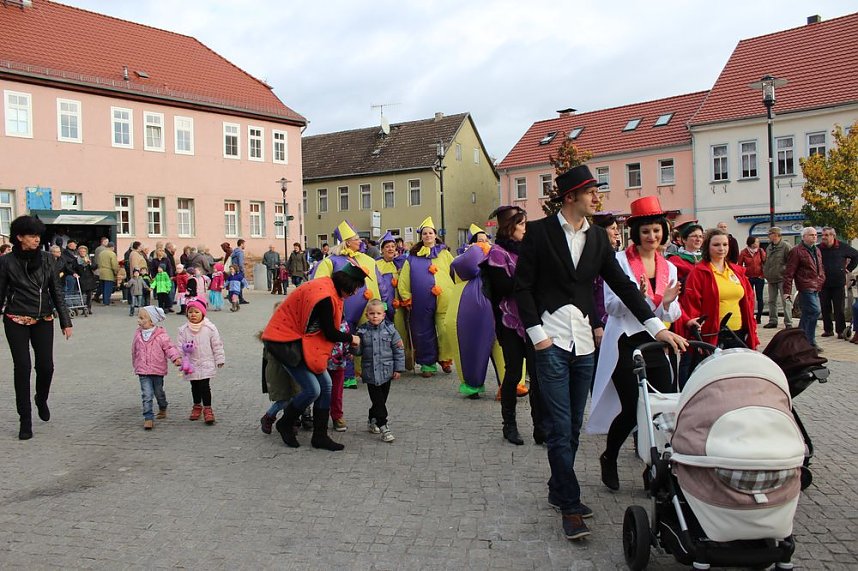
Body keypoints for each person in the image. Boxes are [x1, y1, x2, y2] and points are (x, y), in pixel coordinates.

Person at [513, 165, 686, 541]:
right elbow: (521, 287)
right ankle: (571, 505)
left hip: (584, 345)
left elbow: (624, 287)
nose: (597, 198)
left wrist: (657, 328)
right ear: (571, 196)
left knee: (573, 425)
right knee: (559, 428)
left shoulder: (597, 240)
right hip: (551, 341)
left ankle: (558, 488)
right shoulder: (540, 233)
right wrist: (537, 334)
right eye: (591, 191)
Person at [586, 196, 682, 491]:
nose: (652, 237)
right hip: (625, 342)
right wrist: (635, 298)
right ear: (636, 233)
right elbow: (611, 307)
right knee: (631, 408)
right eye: (646, 231)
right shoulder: (618, 262)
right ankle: (609, 456)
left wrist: (666, 302)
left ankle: (654, 468)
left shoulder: (670, 267)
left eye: (656, 230)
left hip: (656, 343)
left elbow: (671, 313)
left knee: (663, 407)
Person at [261, 264, 367, 451]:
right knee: (312, 390)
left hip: (301, 342)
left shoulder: (329, 287)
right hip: (286, 343)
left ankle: (320, 436)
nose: (356, 292)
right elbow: (330, 333)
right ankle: (285, 423)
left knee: (326, 386)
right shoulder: (325, 297)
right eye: (356, 288)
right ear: (347, 284)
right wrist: (352, 338)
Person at [0, 215, 73, 440]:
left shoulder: (47, 259)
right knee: (22, 367)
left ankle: (41, 398)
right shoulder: (6, 261)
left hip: (43, 319)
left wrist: (65, 320)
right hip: (16, 318)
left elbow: (56, 290)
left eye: (38, 235)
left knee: (46, 367)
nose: (36, 239)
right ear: (19, 237)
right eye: (32, 235)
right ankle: (25, 419)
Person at [481, 205, 545, 445]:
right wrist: (530, 276)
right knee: (514, 372)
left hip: (532, 320)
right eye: (522, 224)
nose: (526, 229)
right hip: (508, 321)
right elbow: (504, 288)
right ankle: (510, 425)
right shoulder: (497, 253)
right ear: (510, 227)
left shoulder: (528, 250)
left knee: (538, 375)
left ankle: (540, 427)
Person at [681, 229, 759, 350]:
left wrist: (752, 330)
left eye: (725, 244)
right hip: (712, 335)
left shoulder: (737, 271)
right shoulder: (698, 273)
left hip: (739, 333)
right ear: (707, 247)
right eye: (716, 245)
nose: (721, 248)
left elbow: (749, 301)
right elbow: (692, 305)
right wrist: (696, 335)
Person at [398, 217, 456, 378]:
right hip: (421, 301)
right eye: (425, 233)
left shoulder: (445, 254)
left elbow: (456, 271)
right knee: (423, 332)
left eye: (430, 233)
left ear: (435, 235)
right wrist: (406, 296)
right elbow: (404, 278)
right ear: (421, 236)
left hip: (445, 300)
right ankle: (427, 364)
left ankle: (445, 359)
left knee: (446, 330)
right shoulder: (412, 257)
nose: (428, 236)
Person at [355, 299, 406, 443]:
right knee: (378, 401)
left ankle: (372, 418)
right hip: (370, 373)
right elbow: (358, 351)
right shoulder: (362, 331)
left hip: (387, 371)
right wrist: (354, 345)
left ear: (383, 315)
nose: (375, 316)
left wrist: (398, 368)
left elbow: (398, 350)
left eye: (378, 313)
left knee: (381, 400)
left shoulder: (391, 330)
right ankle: (384, 426)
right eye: (372, 313)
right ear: (367, 315)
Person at [132, 305, 182, 430]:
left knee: (158, 391)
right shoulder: (138, 334)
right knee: (147, 394)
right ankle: (148, 417)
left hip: (157, 369)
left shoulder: (161, 335)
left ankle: (163, 405)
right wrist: (135, 363)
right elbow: (134, 350)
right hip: (143, 369)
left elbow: (169, 347)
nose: (139, 320)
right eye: (139, 318)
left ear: (152, 321)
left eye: (142, 318)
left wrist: (176, 358)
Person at [176, 299, 224, 425]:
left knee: (204, 386)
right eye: (190, 312)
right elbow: (180, 346)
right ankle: (197, 406)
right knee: (195, 386)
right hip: (191, 363)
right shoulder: (183, 330)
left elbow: (217, 344)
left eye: (196, 312)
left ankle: (208, 409)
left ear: (202, 313)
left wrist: (219, 358)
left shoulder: (210, 328)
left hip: (206, 362)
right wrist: (179, 358)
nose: (193, 314)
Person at [259, 301, 301, 434]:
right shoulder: (270, 335)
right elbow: (268, 358)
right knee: (284, 399)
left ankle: (292, 421)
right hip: (278, 371)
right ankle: (269, 416)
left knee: (296, 396)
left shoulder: (295, 330)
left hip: (294, 370)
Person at [783, 227, 826, 349]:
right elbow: (789, 272)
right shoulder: (797, 251)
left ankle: (802, 340)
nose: (814, 236)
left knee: (809, 313)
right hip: (805, 285)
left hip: (816, 285)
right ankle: (808, 341)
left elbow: (820, 267)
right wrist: (787, 291)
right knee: (814, 310)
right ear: (804, 237)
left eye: (815, 235)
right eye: (811, 235)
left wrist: (822, 278)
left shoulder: (816, 250)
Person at [375, 231, 412, 370]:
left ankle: (401, 363)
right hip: (384, 306)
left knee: (400, 334)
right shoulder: (376, 264)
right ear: (382, 249)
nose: (391, 249)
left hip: (400, 307)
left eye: (393, 246)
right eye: (387, 247)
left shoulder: (401, 263)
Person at [818, 227, 858, 339]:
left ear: (833, 236)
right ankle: (828, 330)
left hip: (838, 282)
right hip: (823, 283)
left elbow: (856, 255)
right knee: (825, 307)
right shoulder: (819, 248)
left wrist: (848, 269)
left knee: (838, 308)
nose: (823, 237)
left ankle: (840, 331)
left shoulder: (842, 247)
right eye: (823, 235)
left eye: (826, 235)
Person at [762, 227, 793, 329]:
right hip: (771, 278)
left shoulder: (786, 246)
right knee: (772, 300)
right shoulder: (769, 247)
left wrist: (787, 274)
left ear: (775, 235)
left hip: (782, 278)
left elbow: (791, 262)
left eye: (769, 234)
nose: (768, 236)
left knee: (786, 301)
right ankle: (773, 320)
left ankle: (788, 322)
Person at [738, 236, 767, 324]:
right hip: (748, 278)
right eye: (755, 242)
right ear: (750, 243)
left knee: (760, 298)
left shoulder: (760, 251)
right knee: (749, 297)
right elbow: (739, 265)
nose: (757, 244)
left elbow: (765, 262)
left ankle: (759, 317)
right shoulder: (744, 252)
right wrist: (744, 276)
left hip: (759, 277)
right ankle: (750, 315)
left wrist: (763, 274)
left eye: (758, 242)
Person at [74, 244, 97, 315]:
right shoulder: (76, 260)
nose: (82, 253)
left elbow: (94, 267)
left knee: (89, 295)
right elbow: (74, 268)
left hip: (89, 279)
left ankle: (89, 308)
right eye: (81, 251)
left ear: (86, 252)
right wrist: (75, 273)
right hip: (82, 279)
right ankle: (84, 308)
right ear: (78, 252)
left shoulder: (90, 258)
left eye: (84, 251)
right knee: (83, 295)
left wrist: (89, 263)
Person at [232, 239, 248, 304]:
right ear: (241, 244)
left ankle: (237, 298)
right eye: (244, 244)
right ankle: (240, 299)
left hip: (234, 269)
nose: (245, 245)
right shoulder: (240, 252)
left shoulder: (234, 251)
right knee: (240, 284)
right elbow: (240, 263)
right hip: (239, 270)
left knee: (236, 284)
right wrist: (243, 270)